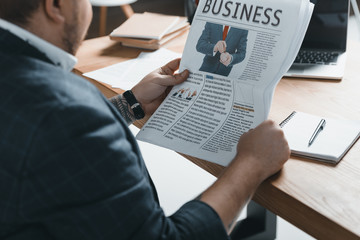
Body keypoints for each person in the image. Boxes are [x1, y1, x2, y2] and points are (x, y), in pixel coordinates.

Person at [0, 0, 290, 239]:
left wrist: (130, 104)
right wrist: (251, 164)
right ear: (56, 5)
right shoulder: (69, 113)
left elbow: (45, 139)